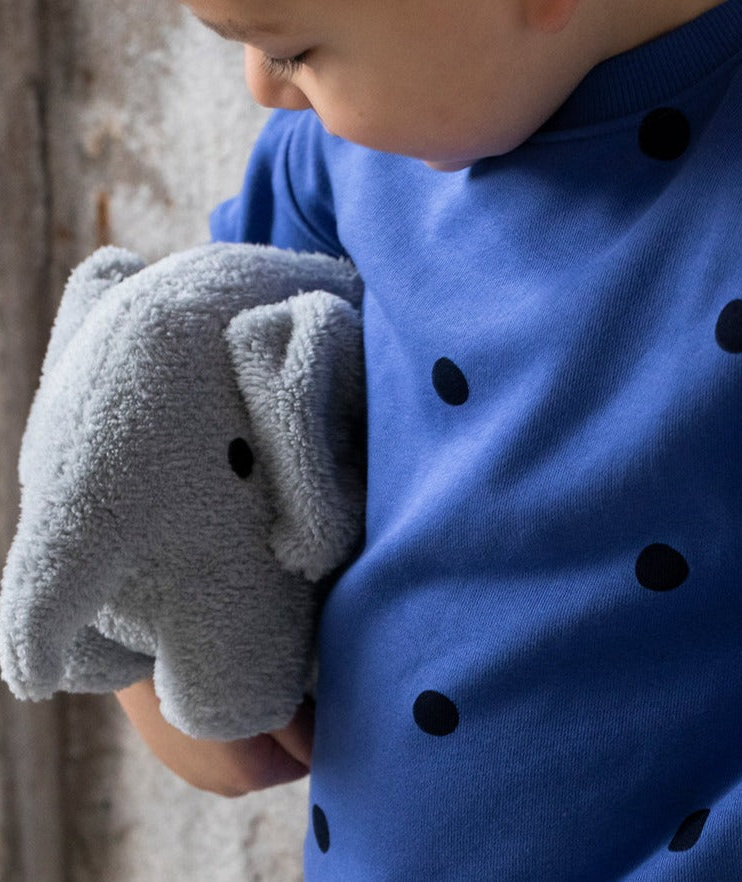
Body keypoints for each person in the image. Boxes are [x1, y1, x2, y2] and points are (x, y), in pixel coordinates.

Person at [116, 0, 742, 877]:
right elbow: (187, 390)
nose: (266, 90)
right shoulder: (350, 158)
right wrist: (152, 649)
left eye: (294, 51)